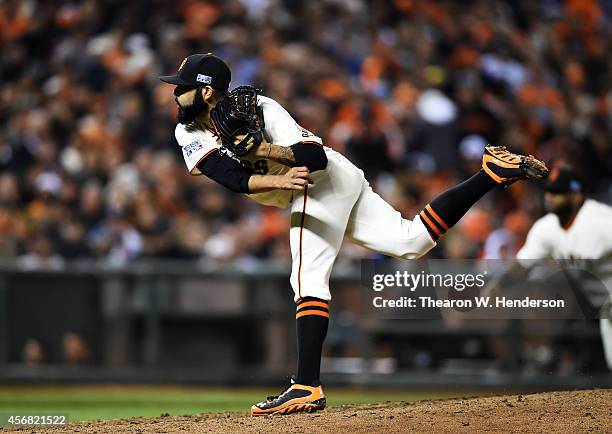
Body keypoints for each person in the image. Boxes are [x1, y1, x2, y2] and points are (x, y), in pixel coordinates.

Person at [159, 53, 548, 416]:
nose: (176, 93)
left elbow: (316, 158)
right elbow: (229, 177)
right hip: (309, 186)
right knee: (412, 242)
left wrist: (267, 149)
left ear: (207, 90)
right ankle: (491, 173)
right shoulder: (187, 130)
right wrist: (267, 171)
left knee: (307, 276)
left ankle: (306, 384)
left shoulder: (261, 109)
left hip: (322, 180)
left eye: (182, 86)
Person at [517, 167, 612, 371]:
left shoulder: (603, 222)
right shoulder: (546, 228)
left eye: (558, 192)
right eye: (549, 191)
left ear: (576, 196)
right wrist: (496, 284)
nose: (550, 197)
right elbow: (522, 265)